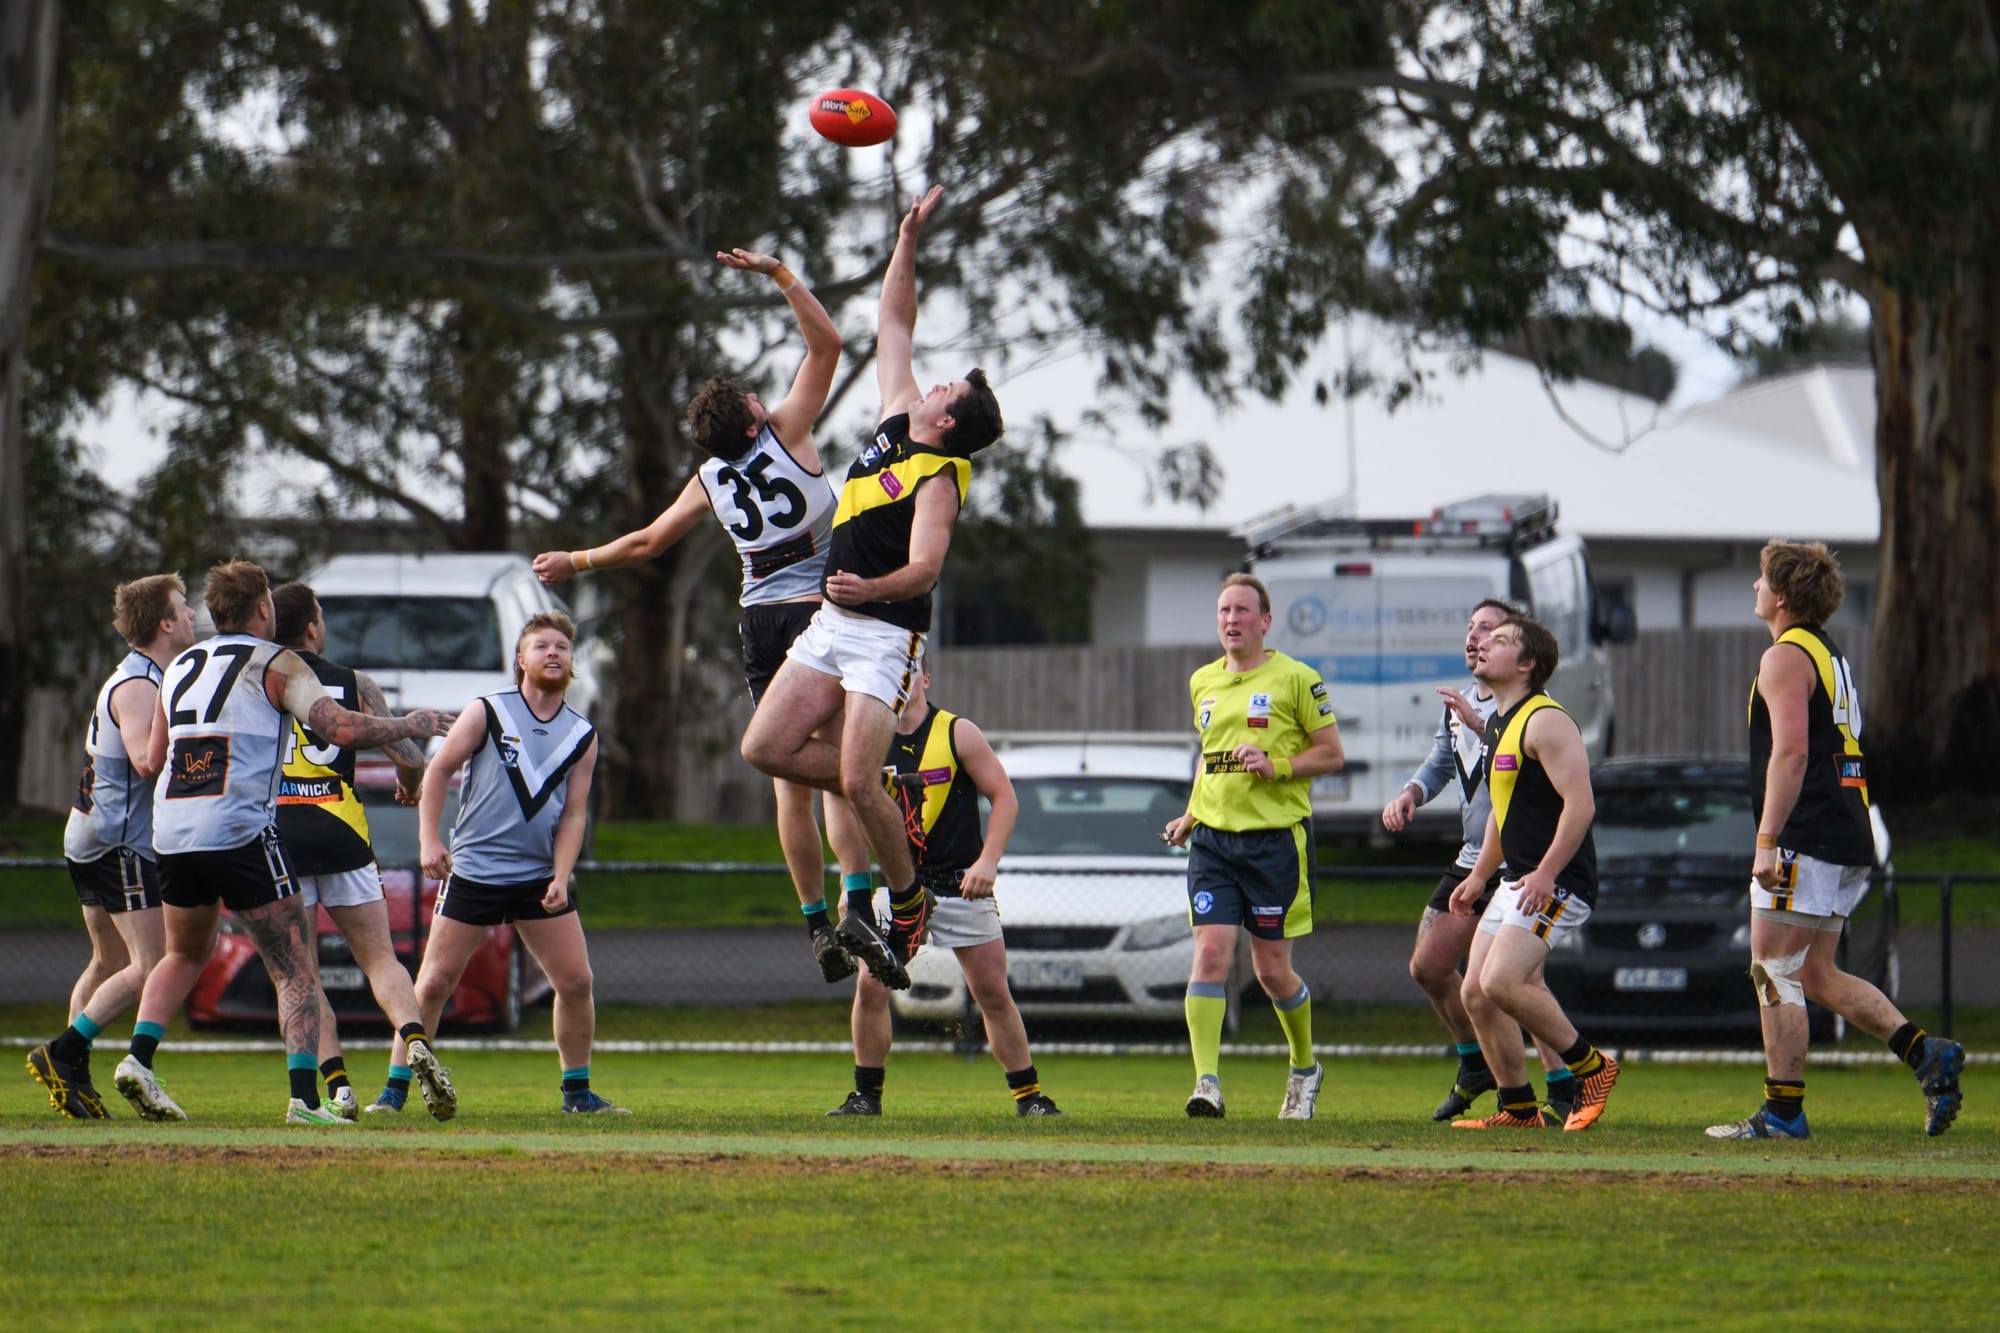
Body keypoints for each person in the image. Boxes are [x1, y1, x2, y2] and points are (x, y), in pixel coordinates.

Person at [533, 246, 871, 986]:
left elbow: (649, 541)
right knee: (845, 766)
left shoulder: (711, 478)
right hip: (821, 615)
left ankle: (814, 920)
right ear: (753, 412)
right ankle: (858, 901)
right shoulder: (787, 427)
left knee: (789, 784)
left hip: (760, 626)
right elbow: (829, 344)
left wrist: (576, 560)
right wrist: (782, 274)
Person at [741, 184, 1005, 994]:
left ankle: (907, 900)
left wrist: (866, 587)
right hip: (831, 622)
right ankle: (890, 788)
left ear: (952, 422)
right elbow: (895, 324)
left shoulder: (940, 474)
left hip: (885, 633)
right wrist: (905, 240)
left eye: (944, 394)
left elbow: (925, 570)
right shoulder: (896, 418)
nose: (930, 387)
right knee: (764, 748)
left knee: (853, 780)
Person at [111, 559, 453, 1126]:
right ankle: (306, 1100)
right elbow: (339, 729)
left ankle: (137, 1060)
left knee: (182, 953)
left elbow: (152, 758)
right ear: (263, 607)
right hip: (241, 828)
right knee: (294, 965)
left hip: (172, 829)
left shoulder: (178, 666)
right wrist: (410, 725)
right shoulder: (275, 661)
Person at [1707, 541, 1964, 1141]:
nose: (1753, 587)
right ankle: (1928, 1055)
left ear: (1784, 595)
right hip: (1848, 828)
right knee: (1816, 974)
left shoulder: (1786, 656)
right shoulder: (1829, 653)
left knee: (1773, 969)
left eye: (1761, 579)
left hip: (1808, 832)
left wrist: (1767, 839)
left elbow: (1792, 754)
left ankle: (1783, 1114)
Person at [406, 611, 622, 1115]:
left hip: (536, 880)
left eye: (562, 648)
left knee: (576, 981)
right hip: (475, 873)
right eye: (541, 646)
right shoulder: (487, 711)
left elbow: (573, 816)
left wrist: (562, 876)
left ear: (572, 663)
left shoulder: (582, 734)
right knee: (433, 983)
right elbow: (437, 772)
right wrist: (429, 842)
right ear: (520, 660)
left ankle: (578, 1094)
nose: (553, 653)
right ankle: (393, 1092)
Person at [826, 668, 1061, 1118]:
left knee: (992, 991)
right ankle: (865, 1098)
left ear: (926, 677)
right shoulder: (863, 740)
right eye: (889, 670)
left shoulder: (958, 732)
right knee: (871, 985)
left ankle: (1030, 1099)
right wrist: (849, 884)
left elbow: (1004, 797)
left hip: (960, 886)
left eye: (908, 669)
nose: (899, 678)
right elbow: (846, 815)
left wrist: (987, 862)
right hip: (899, 888)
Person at [268, 581, 456, 1121]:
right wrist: (410, 785)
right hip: (342, 829)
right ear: (312, 626)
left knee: (300, 975)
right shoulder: (355, 683)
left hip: (281, 832)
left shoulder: (261, 680)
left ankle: (339, 1089)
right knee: (380, 959)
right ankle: (416, 1041)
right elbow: (411, 756)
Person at [1381, 598, 1573, 1125]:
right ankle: (1476, 1067)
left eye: (1489, 631)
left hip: (1522, 863)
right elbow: (1443, 761)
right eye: (1471, 629)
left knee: (1520, 982)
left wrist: (1480, 726)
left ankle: (1563, 1084)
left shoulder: (1531, 709)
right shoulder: (1462, 704)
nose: (1476, 639)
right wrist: (1412, 793)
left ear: (1519, 652)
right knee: (1429, 966)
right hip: (1475, 857)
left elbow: (1534, 789)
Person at [1162, 574, 1344, 1120]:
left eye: (1243, 611)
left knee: (1269, 971)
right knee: (1211, 952)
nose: (1231, 620)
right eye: (1223, 611)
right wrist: (1192, 814)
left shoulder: (1298, 679)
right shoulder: (1203, 681)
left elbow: (1332, 754)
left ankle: (1304, 1068)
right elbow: (1209, 755)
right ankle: (1207, 1083)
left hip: (1275, 844)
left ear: (1265, 621)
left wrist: (1278, 766)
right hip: (1214, 843)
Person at [27, 575, 196, 1118]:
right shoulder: (141, 685)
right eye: (184, 606)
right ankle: (64, 1052)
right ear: (164, 623)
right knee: (151, 964)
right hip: (118, 842)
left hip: (91, 835)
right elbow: (147, 760)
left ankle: (72, 1074)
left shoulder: (146, 677)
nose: (192, 615)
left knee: (108, 960)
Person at [1446, 614, 1620, 1131]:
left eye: (1499, 641)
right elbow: (1504, 809)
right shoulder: (1501, 721)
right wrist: (1480, 875)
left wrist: (1545, 873)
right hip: (1517, 879)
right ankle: (1519, 1109)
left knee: (1502, 981)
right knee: (1474, 992)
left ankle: (1593, 1066)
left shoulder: (1546, 719)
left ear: (1526, 664)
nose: (1481, 644)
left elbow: (1581, 805)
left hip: (1557, 881)